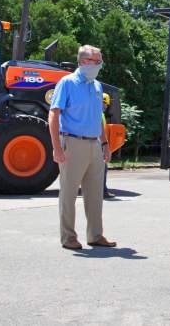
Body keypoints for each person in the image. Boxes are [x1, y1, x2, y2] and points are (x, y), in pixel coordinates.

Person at [49, 45, 116, 250]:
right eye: (96, 61)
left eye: (100, 61)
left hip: (94, 144)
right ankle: (68, 237)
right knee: (69, 193)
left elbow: (98, 119)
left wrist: (105, 143)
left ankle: (95, 235)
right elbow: (54, 115)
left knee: (95, 194)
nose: (99, 65)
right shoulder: (67, 83)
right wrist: (57, 148)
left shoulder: (97, 86)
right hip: (72, 142)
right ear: (84, 62)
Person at [102, 93, 115, 199]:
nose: (106, 107)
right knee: (102, 169)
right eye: (106, 105)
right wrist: (105, 146)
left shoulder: (93, 113)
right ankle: (102, 191)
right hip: (98, 145)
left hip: (96, 144)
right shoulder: (99, 114)